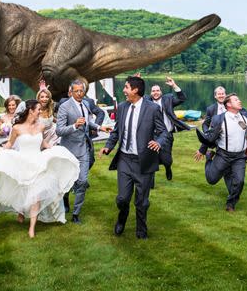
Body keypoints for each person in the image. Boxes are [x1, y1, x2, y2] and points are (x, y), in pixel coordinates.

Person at [0, 100, 80, 238]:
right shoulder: (17, 128)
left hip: (38, 162)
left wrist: (54, 149)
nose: (40, 111)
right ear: (31, 110)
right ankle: (21, 212)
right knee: (22, 191)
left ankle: (31, 228)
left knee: (36, 196)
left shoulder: (41, 126)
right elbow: (10, 143)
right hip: (22, 162)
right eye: (38, 109)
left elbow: (42, 142)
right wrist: (1, 154)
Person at [100, 76, 169, 239]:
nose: (124, 90)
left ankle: (141, 230)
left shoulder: (152, 109)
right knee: (122, 199)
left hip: (143, 161)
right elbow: (116, 131)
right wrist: (108, 147)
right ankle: (122, 218)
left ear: (135, 90)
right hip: (124, 160)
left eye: (126, 87)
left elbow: (164, 132)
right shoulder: (122, 107)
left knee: (142, 201)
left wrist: (158, 142)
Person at [195, 93, 247, 212]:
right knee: (211, 180)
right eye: (236, 100)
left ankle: (230, 204)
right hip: (223, 155)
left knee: (240, 181)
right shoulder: (219, 119)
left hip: (239, 157)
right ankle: (209, 158)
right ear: (228, 104)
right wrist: (203, 150)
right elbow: (210, 137)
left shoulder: (244, 117)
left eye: (239, 99)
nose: (239, 101)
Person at [56, 80, 111, 224]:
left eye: (82, 91)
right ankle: (65, 198)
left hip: (84, 149)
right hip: (68, 150)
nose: (80, 93)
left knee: (83, 180)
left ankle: (76, 214)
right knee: (67, 181)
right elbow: (59, 130)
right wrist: (74, 126)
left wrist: (99, 128)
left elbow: (87, 122)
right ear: (71, 92)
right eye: (77, 91)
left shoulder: (86, 104)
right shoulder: (64, 107)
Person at [145, 76, 189, 182]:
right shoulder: (146, 101)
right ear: (150, 93)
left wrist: (174, 85)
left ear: (161, 92)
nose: (155, 92)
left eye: (157, 90)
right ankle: (151, 181)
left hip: (166, 135)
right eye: (153, 91)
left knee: (166, 159)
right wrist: (137, 82)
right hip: (152, 135)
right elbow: (136, 97)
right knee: (151, 158)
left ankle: (168, 168)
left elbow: (182, 99)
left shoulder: (168, 99)